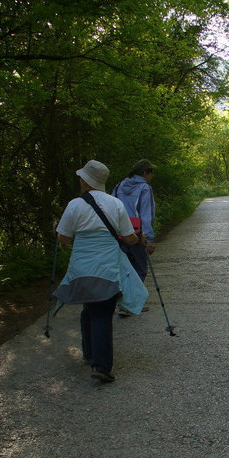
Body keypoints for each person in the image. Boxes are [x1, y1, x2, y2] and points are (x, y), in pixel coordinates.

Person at [54, 160, 148, 383]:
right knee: (102, 312)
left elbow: (64, 240)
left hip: (82, 268)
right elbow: (128, 237)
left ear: (85, 180)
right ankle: (101, 365)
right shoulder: (115, 204)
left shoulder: (74, 205)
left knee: (89, 309)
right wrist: (140, 239)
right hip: (107, 266)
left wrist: (56, 230)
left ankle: (90, 354)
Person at [111, 159, 156, 282]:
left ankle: (123, 298)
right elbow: (147, 215)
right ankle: (131, 300)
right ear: (145, 172)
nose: (152, 176)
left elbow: (111, 208)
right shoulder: (145, 188)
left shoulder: (119, 185)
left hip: (118, 233)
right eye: (151, 172)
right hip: (137, 235)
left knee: (123, 270)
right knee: (140, 270)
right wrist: (150, 239)